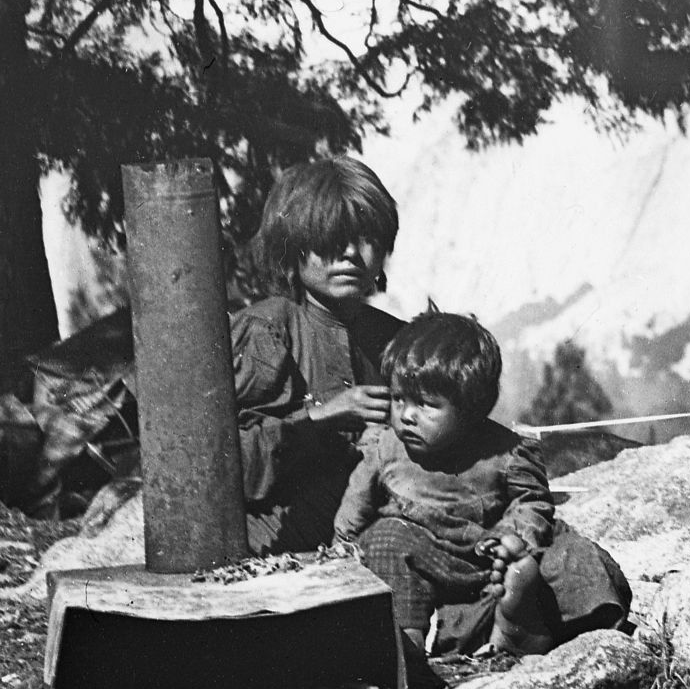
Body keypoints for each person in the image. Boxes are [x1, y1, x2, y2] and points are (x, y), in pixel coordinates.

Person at [334, 310, 632, 663]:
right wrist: (342, 547)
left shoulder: (505, 453)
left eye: (426, 404)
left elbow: (533, 501)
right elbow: (356, 505)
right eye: (400, 399)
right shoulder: (385, 448)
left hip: (492, 566)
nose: (407, 415)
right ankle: (405, 640)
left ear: (471, 409)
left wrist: (514, 540)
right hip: (428, 564)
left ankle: (518, 624)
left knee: (570, 554)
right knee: (383, 540)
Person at [231, 155, 408, 555]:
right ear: (292, 247)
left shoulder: (398, 340)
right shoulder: (265, 331)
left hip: (375, 538)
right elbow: (228, 470)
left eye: (366, 238)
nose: (350, 253)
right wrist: (323, 417)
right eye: (330, 237)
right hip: (275, 545)